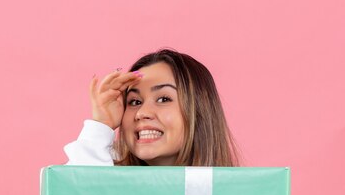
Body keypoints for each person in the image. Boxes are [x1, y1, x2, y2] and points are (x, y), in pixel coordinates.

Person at [64, 49, 239, 166]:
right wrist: (101, 124)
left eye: (163, 99)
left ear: (199, 112)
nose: (142, 113)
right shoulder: (105, 174)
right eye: (134, 102)